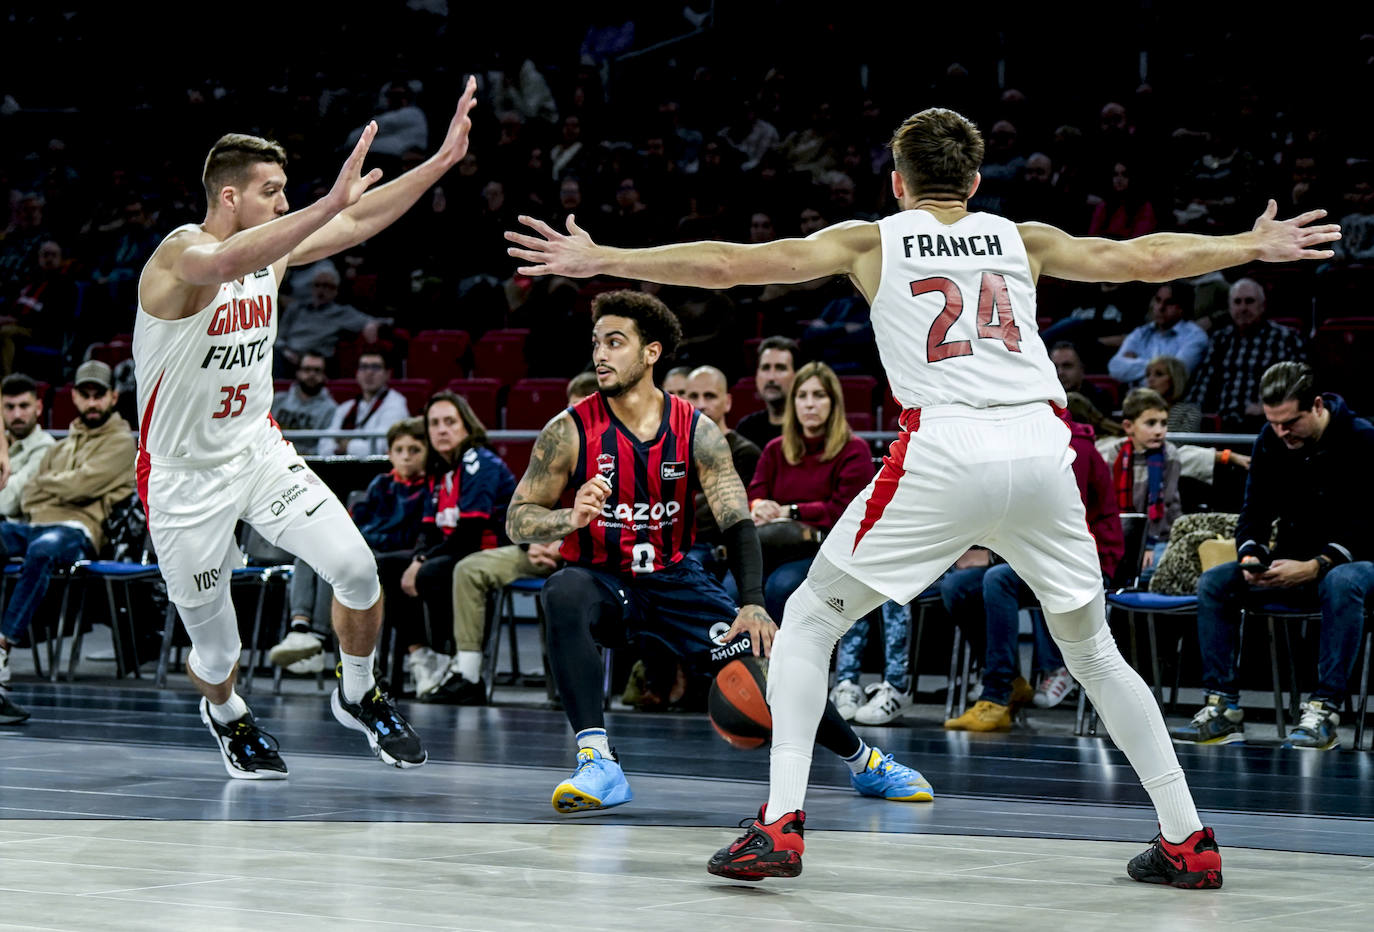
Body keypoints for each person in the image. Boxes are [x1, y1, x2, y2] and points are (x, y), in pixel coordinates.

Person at [506, 106, 1339, 887]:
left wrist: (605, 258)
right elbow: (1145, 258)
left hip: (945, 444)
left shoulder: (873, 240)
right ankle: (1187, 838)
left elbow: (730, 265)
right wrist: (1250, 243)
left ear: (897, 182)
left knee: (810, 621)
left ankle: (780, 824)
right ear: (974, 182)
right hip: (1043, 446)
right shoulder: (1021, 237)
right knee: (1094, 654)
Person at [132, 75, 479, 778]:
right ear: (230, 196)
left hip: (258, 452)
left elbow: (356, 221)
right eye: (273, 192)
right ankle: (226, 712)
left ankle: (358, 692)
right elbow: (227, 261)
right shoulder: (180, 254)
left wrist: (440, 162)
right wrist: (327, 203)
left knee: (356, 570)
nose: (285, 204)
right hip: (181, 476)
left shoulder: (271, 246)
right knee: (218, 654)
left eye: (289, 192)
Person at [503, 290, 932, 814]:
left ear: (651, 352)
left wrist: (752, 602)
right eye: (596, 343)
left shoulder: (696, 430)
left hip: (676, 581)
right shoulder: (568, 430)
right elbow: (517, 519)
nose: (600, 354)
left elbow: (737, 520)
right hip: (604, 583)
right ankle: (598, 761)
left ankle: (865, 762)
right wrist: (568, 517)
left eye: (615, 342)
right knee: (562, 590)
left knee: (767, 668)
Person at [1172, 362, 1373, 751]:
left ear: (1317, 406)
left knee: (1341, 580)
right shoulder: (1271, 439)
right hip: (1293, 560)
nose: (1282, 432)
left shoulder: (1361, 438)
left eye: (1290, 422)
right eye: (1273, 422)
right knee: (1215, 581)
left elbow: (1367, 523)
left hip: (1357, 562)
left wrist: (1318, 564)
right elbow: (1254, 512)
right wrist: (1251, 554)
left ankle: (1324, 711)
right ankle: (1222, 708)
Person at [944, 407, 1124, 729]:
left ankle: (996, 694)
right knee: (957, 587)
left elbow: (1058, 523)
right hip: (1032, 558)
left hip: (1083, 561)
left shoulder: (1073, 448)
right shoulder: (1014, 448)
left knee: (998, 578)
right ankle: (1012, 680)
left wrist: (998, 555)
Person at [424, 374, 598, 704]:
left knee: (567, 585)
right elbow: (528, 509)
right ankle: (468, 675)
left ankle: (576, 681)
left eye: (585, 408)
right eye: (572, 409)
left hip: (591, 554)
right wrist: (531, 543)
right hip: (542, 548)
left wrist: (563, 546)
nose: (576, 417)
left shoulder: (624, 455)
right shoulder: (556, 452)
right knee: (468, 568)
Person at [1, 361, 134, 693]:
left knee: (44, 548)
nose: (92, 402)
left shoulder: (121, 443)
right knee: (28, 538)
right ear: (73, 397)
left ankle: (3, 645)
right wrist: (61, 485)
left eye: (98, 395)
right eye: (85, 395)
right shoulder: (61, 445)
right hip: (36, 525)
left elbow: (82, 485)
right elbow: (27, 497)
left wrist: (48, 483)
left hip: (78, 530)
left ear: (113, 397)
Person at [268, 417, 430, 676]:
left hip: (393, 554)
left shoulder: (428, 490)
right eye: (399, 450)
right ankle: (300, 629)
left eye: (414, 450)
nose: (406, 457)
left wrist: (369, 538)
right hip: (368, 546)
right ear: (389, 454)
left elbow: (410, 535)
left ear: (427, 453)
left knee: (340, 559)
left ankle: (317, 639)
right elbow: (356, 520)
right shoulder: (380, 484)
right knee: (311, 553)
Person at [398, 391, 516, 695]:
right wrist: (417, 557)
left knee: (431, 572)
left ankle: (448, 658)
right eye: (434, 423)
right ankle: (421, 657)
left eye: (450, 422)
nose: (441, 430)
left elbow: (470, 532)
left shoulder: (479, 461)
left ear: (467, 426)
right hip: (456, 550)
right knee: (388, 566)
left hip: (489, 550)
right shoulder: (439, 469)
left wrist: (421, 562)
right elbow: (428, 529)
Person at [746, 361, 873, 620]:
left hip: (825, 550)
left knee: (780, 586)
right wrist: (759, 506)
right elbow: (753, 495)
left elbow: (842, 511)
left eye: (819, 395)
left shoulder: (854, 450)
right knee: (733, 585)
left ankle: (778, 648)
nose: (809, 404)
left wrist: (792, 511)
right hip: (772, 545)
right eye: (802, 396)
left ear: (833, 403)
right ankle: (745, 648)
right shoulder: (775, 449)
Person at [1185, 278, 1306, 430]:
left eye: (1249, 301)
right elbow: (1201, 387)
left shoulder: (1286, 338)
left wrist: (1270, 407)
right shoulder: (1220, 340)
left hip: (1268, 425)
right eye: (1237, 302)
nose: (1243, 308)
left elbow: (1299, 387)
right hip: (1223, 426)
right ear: (1230, 308)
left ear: (1262, 306)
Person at [682, 364, 760, 595]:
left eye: (709, 396)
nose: (701, 404)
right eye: (693, 396)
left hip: (714, 548)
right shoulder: (671, 449)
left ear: (727, 402)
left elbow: (720, 516)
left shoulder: (745, 453)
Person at [273, 263, 385, 376]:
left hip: (317, 358)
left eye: (326, 286)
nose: (321, 290)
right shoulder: (296, 308)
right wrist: (286, 351)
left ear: (335, 290)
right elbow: (278, 337)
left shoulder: (342, 313)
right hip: (287, 355)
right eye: (317, 285)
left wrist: (371, 324)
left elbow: (380, 321)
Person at [1107, 282, 1209, 389]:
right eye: (1158, 300)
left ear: (1182, 307)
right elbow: (1114, 368)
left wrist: (1134, 363)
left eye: (1169, 303)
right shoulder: (1141, 333)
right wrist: (1162, 369)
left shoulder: (1194, 336)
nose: (1160, 307)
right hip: (1136, 397)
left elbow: (1175, 376)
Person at [319, 350, 410, 457]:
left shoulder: (396, 404)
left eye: (376, 367)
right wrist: (354, 447)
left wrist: (347, 446)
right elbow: (324, 446)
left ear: (387, 374)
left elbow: (382, 448)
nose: (369, 372)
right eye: (364, 367)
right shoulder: (345, 408)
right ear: (357, 373)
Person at [0, 374, 55, 521]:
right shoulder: (2, 445)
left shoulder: (46, 448)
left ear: (38, 407)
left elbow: (8, 503)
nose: (17, 414)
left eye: (24, 406)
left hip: (19, 530)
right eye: (9, 407)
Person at [733, 336, 798, 451]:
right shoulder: (746, 428)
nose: (771, 377)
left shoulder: (806, 427)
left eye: (780, 368)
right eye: (765, 368)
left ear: (796, 376)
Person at [271, 350, 337, 432]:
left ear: (324, 375)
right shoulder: (277, 400)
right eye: (307, 369)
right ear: (298, 372)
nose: (312, 374)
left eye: (317, 370)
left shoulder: (330, 408)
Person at [1144, 354, 1202, 432]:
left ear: (1175, 379)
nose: (1150, 379)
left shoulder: (1189, 412)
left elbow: (1184, 439)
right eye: (1148, 375)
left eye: (1159, 374)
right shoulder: (1139, 410)